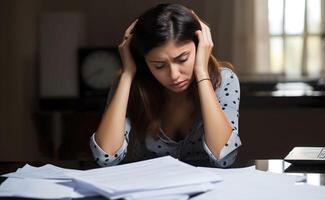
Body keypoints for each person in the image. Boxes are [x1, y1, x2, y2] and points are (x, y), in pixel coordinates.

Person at [90, 3, 241, 168]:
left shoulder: (223, 79)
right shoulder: (130, 83)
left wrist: (201, 73)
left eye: (182, 59)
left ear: (200, 47)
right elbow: (105, 157)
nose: (174, 75)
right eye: (159, 65)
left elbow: (224, 157)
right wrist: (127, 75)